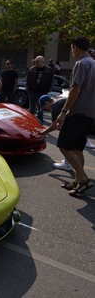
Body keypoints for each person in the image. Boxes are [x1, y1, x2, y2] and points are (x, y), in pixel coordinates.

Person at [55, 36, 95, 196]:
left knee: (64, 145)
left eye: (72, 49)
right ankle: (78, 181)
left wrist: (63, 112)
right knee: (78, 148)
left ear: (76, 48)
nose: (72, 53)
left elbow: (75, 90)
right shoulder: (93, 62)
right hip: (90, 113)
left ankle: (84, 179)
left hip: (78, 111)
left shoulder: (81, 64)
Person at [25, 56, 54, 124]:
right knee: (31, 108)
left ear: (42, 61)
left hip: (42, 92)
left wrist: (48, 89)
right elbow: (27, 79)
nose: (36, 63)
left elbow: (51, 80)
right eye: (35, 61)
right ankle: (30, 122)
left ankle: (40, 123)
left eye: (37, 61)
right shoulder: (31, 69)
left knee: (41, 109)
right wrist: (28, 89)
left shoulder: (49, 70)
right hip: (33, 91)